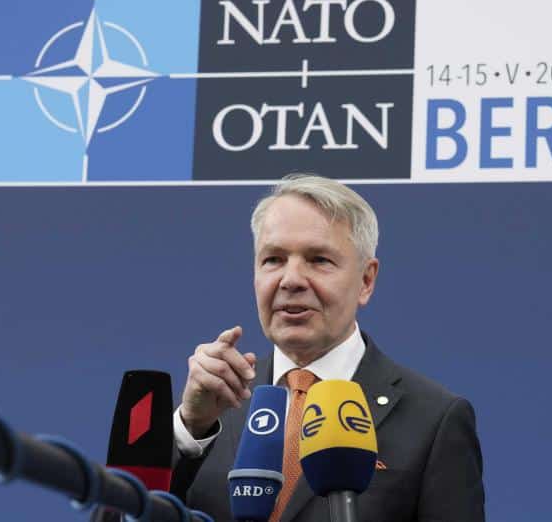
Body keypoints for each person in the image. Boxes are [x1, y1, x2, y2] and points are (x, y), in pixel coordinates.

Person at [170, 174, 485, 522]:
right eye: (273, 259)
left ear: (366, 280)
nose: (291, 280)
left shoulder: (434, 420)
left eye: (319, 259)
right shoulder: (214, 405)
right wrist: (191, 428)